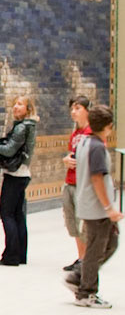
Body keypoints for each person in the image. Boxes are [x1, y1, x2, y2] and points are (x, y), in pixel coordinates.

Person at [73, 103, 121, 308]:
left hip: (90, 204)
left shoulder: (84, 142)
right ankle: (87, 291)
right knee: (96, 249)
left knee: (111, 243)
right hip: (96, 208)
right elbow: (97, 179)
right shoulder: (97, 147)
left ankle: (82, 276)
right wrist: (109, 207)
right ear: (108, 126)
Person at [0, 93, 37, 266]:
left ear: (28, 109)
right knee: (17, 215)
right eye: (14, 104)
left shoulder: (22, 127)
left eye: (20, 104)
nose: (15, 107)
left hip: (15, 175)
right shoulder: (28, 126)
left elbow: (9, 150)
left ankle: (11, 256)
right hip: (23, 174)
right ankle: (20, 254)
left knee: (7, 213)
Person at [64, 99, 92, 289]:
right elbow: (71, 154)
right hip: (70, 181)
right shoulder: (75, 133)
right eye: (72, 109)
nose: (73, 112)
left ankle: (86, 259)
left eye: (78, 108)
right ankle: (80, 256)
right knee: (72, 222)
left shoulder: (91, 134)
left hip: (83, 183)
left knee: (83, 224)